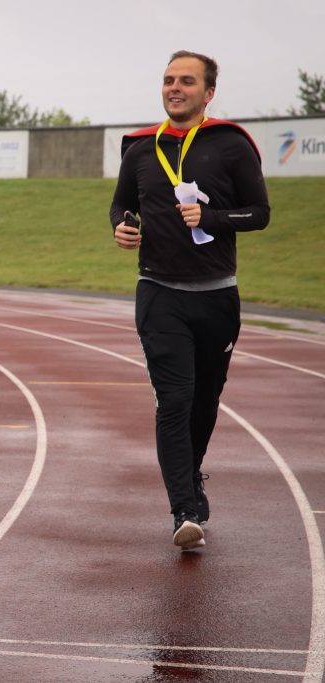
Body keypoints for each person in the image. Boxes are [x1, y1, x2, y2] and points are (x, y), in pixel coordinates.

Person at [109, 50, 269, 551]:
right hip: (159, 294)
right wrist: (122, 225)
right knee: (174, 401)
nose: (174, 88)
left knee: (204, 402)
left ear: (208, 92)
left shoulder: (231, 144)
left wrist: (215, 220)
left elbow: (259, 213)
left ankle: (191, 476)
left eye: (186, 81)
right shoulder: (140, 147)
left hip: (217, 298)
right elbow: (121, 202)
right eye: (168, 80)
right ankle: (183, 508)